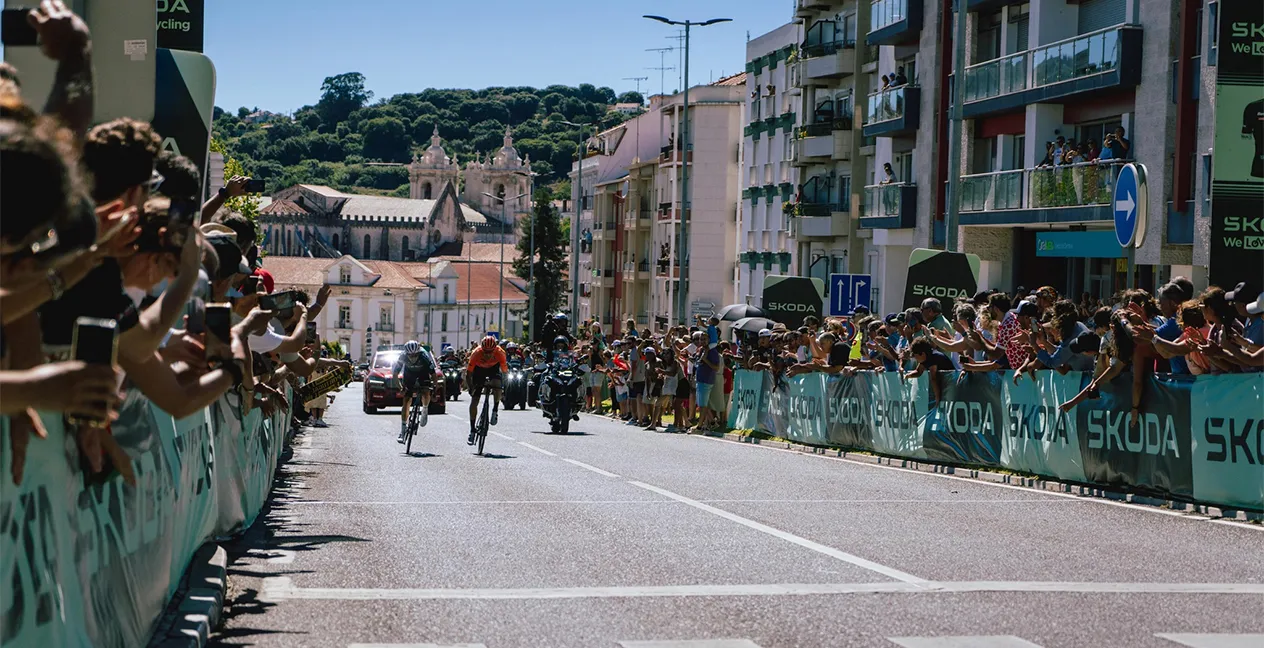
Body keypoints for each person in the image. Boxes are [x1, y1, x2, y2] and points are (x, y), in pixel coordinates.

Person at [465, 335, 508, 443]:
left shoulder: (500, 353)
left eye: (490, 352)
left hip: (493, 369)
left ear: (495, 349)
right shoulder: (476, 353)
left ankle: (495, 409)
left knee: (497, 384)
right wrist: (471, 388)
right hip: (479, 370)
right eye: (485, 352)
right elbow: (468, 373)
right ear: (482, 349)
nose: (488, 354)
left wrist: (504, 388)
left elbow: (504, 372)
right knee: (475, 400)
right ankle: (472, 429)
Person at [394, 340, 436, 443]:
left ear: (418, 352)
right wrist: (401, 388)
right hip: (409, 375)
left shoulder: (424, 356)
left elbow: (434, 375)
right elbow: (395, 375)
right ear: (406, 354)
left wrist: (434, 389)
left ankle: (425, 409)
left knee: (426, 392)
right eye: (410, 355)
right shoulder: (402, 356)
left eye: (415, 355)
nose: (413, 357)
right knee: (406, 399)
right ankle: (403, 430)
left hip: (423, 373)